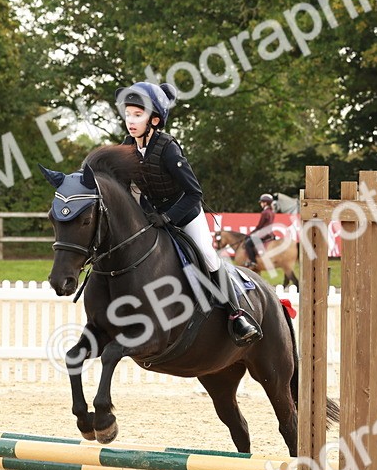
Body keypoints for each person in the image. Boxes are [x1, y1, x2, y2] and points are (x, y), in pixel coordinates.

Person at [116, 81, 262, 346]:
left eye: (138, 115)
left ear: (155, 120)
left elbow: (195, 193)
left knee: (208, 256)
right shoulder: (127, 147)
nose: (130, 120)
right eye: (128, 114)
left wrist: (169, 217)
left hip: (185, 213)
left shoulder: (168, 149)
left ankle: (236, 315)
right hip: (153, 215)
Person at [244, 193, 276, 269]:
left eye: (261, 202)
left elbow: (259, 226)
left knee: (248, 243)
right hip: (270, 233)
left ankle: (253, 262)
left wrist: (250, 234)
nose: (261, 204)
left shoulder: (265, 212)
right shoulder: (272, 212)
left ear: (265, 203)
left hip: (264, 234)